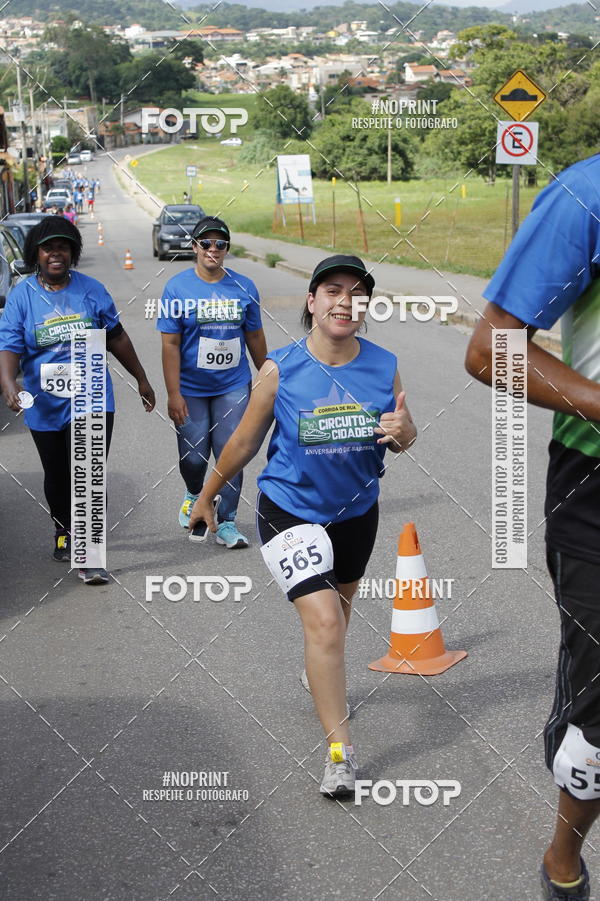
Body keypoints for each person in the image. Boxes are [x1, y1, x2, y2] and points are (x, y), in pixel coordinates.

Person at [189, 254, 416, 797]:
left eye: (356, 293)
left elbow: (403, 437)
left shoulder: (384, 365)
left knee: (338, 610)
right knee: (323, 622)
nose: (344, 301)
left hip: (357, 511)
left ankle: (321, 675)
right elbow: (244, 440)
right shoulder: (280, 367)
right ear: (312, 302)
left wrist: (406, 433)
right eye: (332, 290)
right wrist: (207, 496)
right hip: (288, 508)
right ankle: (340, 752)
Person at [465, 153, 600, 901]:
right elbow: (492, 352)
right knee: (599, 728)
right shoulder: (587, 196)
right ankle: (563, 864)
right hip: (595, 486)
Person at [0, 216, 155, 584]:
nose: (56, 253)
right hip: (44, 402)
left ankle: (88, 557)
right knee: (58, 475)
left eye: (64, 246)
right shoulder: (23, 296)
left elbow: (116, 336)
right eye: (48, 247)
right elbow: (9, 345)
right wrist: (8, 384)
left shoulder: (92, 290)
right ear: (36, 254)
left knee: (88, 472)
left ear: (72, 253)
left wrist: (141, 378)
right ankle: (63, 528)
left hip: (92, 396)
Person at [157, 215, 267, 548]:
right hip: (190, 389)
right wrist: (173, 393)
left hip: (232, 384)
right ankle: (194, 492)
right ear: (194, 247)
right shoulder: (177, 288)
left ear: (226, 249)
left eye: (220, 244)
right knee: (193, 456)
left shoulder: (244, 286)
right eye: (206, 243)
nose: (213, 249)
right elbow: (170, 344)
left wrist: (266, 377)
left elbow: (255, 335)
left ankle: (228, 521)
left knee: (232, 452)